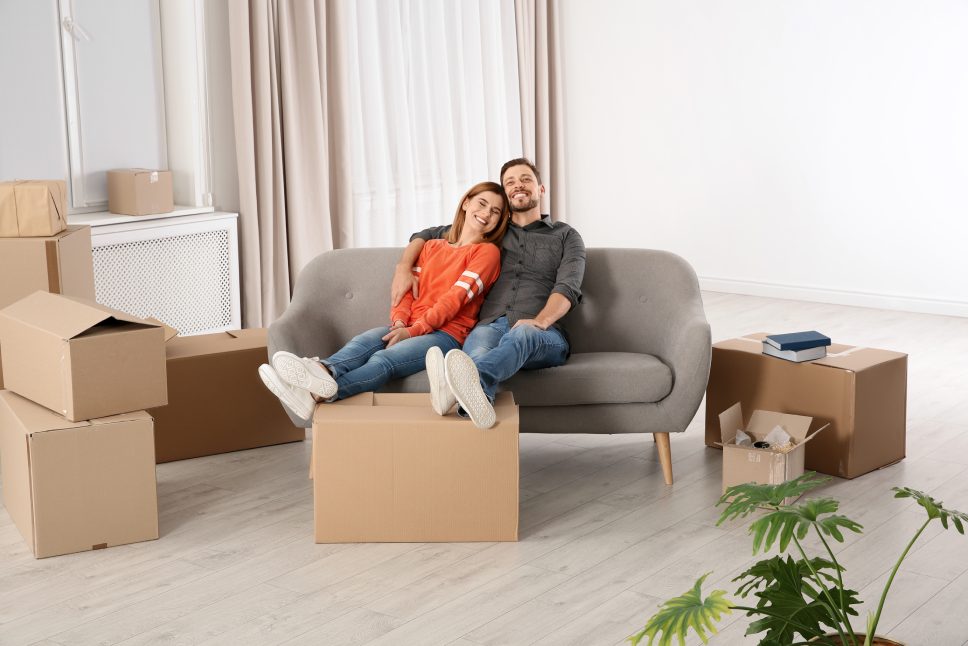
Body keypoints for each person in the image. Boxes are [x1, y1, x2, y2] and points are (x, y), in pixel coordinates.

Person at [260, 181, 509, 420]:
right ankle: (321, 372)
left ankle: (312, 394)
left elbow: (455, 299)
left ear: (498, 221)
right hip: (408, 326)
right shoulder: (432, 247)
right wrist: (400, 323)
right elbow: (406, 292)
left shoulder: (487, 253)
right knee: (361, 344)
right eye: (482, 203)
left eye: (495, 211)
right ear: (466, 203)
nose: (486, 213)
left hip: (445, 335)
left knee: (384, 360)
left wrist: (413, 332)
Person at [392, 158, 585, 429]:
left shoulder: (567, 236)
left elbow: (568, 287)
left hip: (544, 332)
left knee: (522, 334)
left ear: (540, 189)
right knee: (475, 350)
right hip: (489, 326)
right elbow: (427, 233)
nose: (518, 185)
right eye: (510, 182)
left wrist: (541, 321)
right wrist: (403, 266)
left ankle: (454, 388)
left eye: (526, 179)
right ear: (505, 196)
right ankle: (476, 398)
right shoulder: (491, 232)